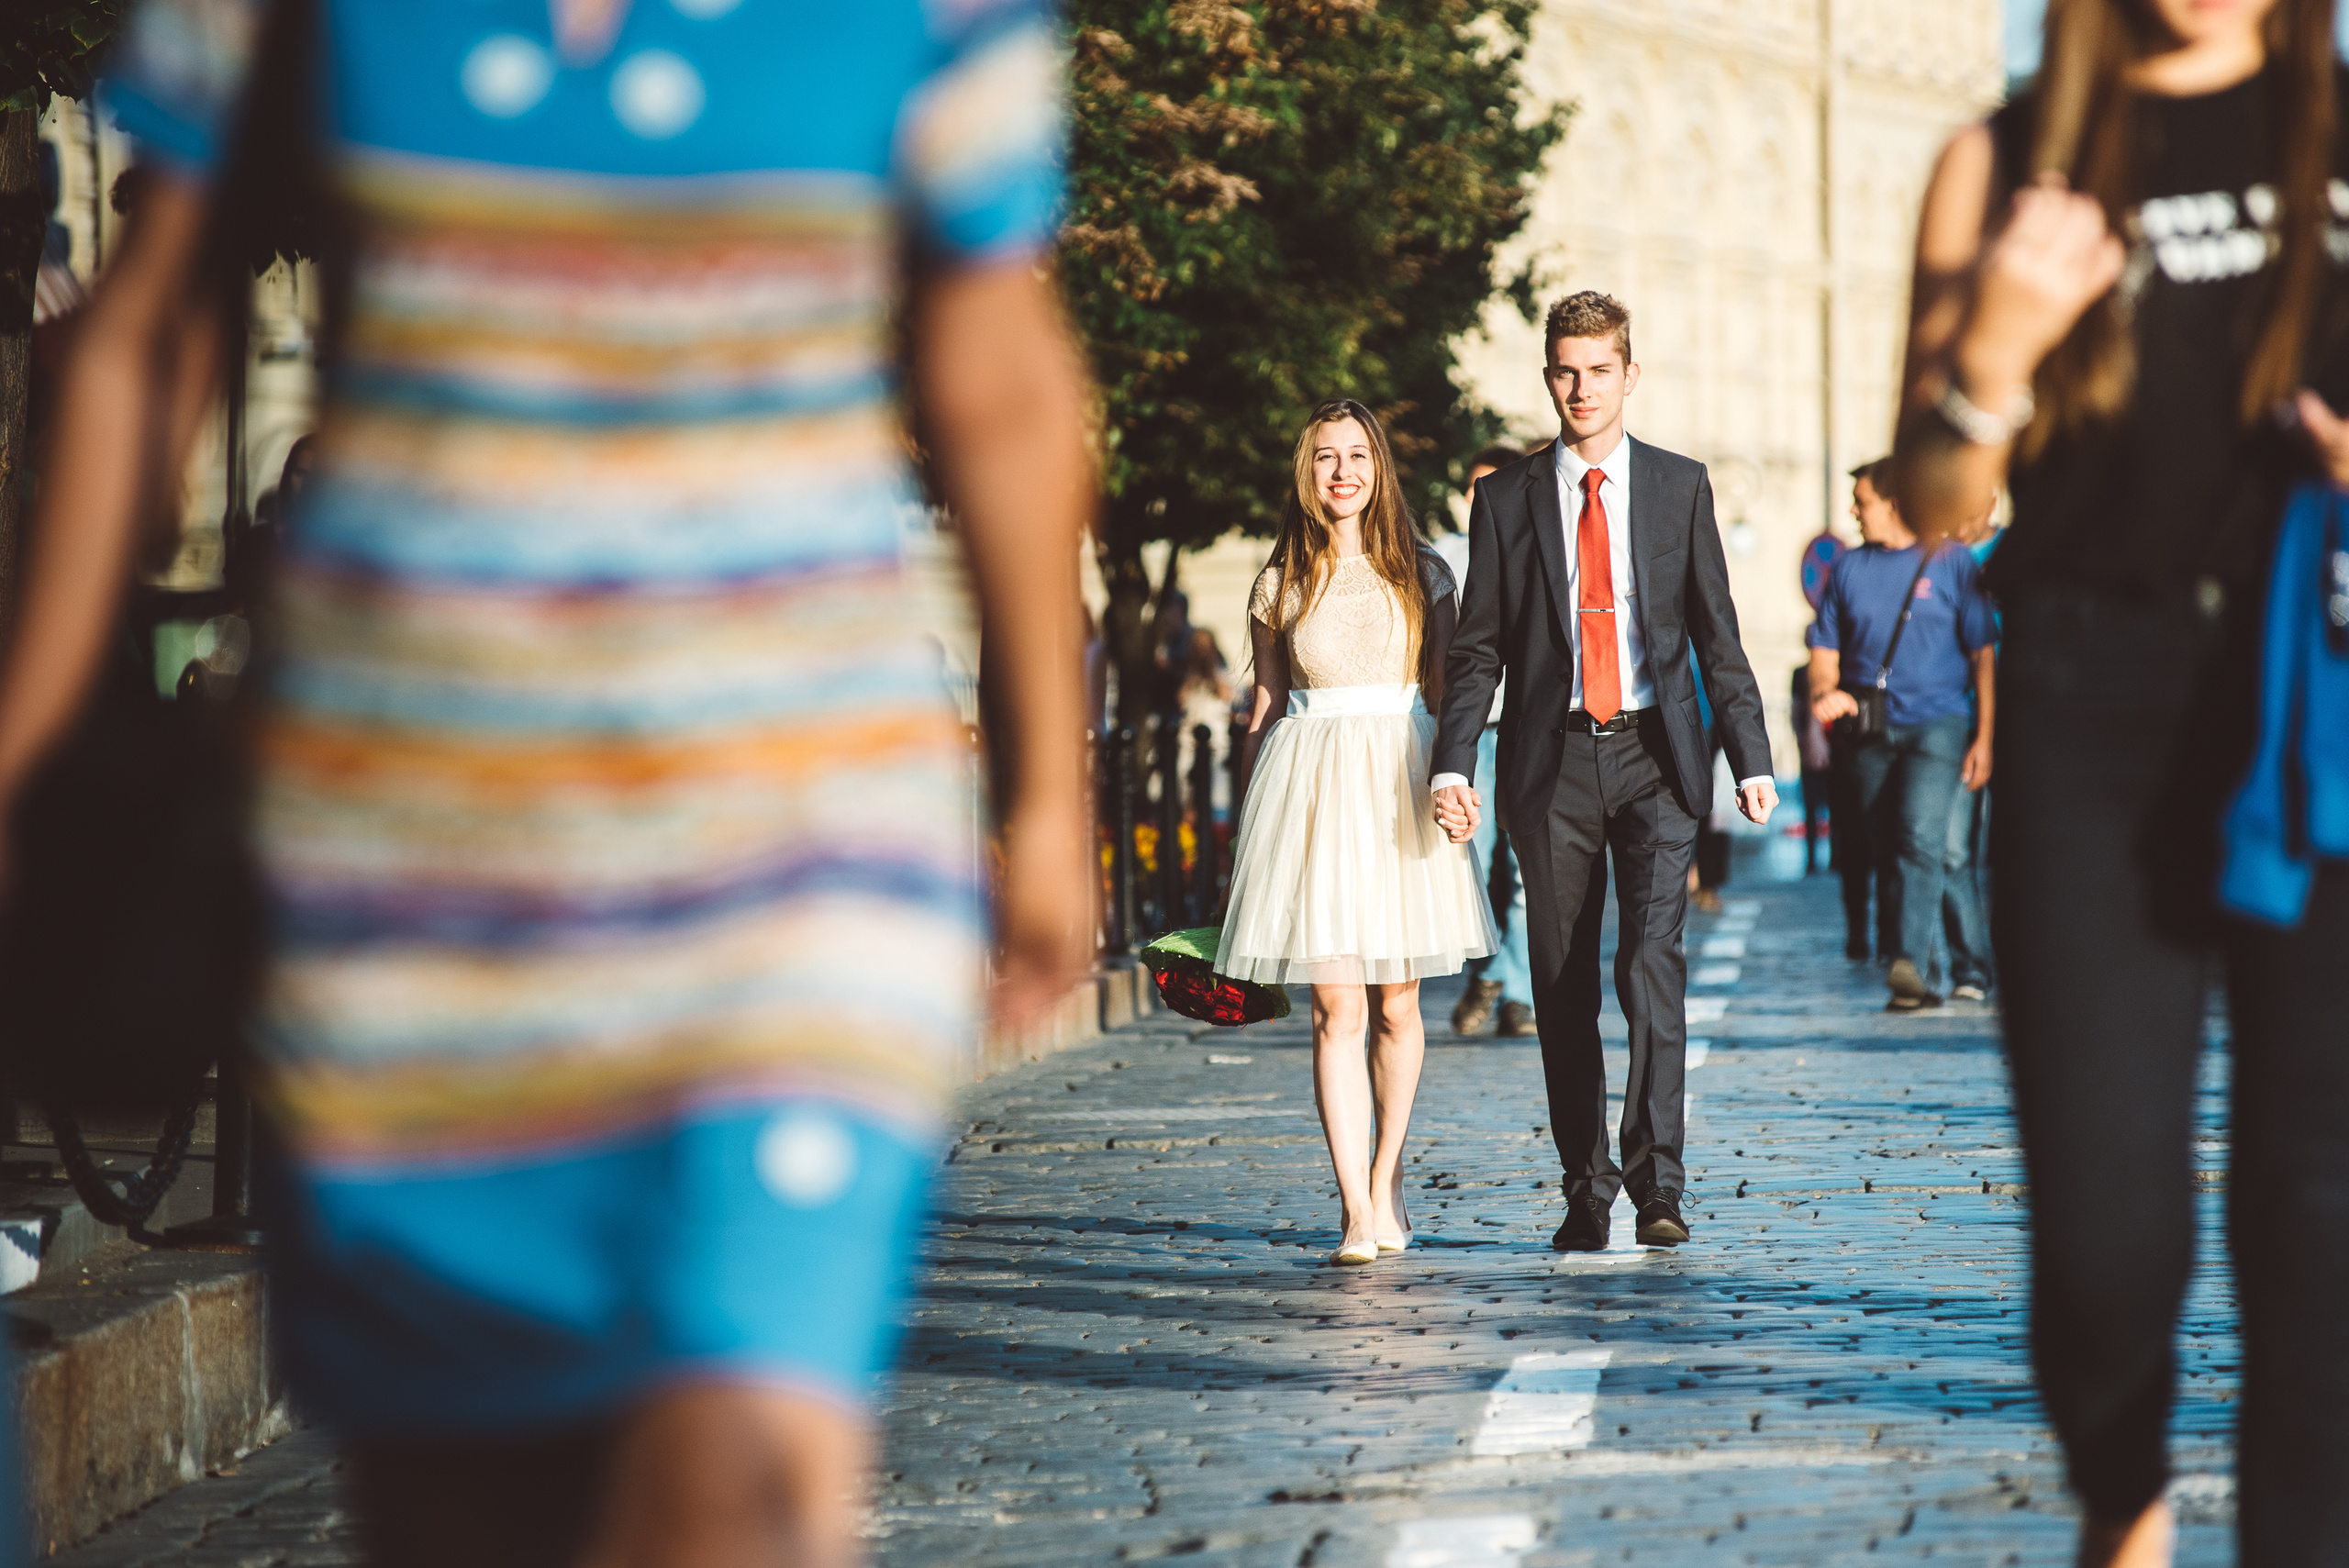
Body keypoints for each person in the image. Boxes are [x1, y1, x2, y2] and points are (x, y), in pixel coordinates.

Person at [0, 3, 1095, 1564]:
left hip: (800, 845)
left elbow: (1000, 366)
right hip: (408, 863)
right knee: (469, 1512)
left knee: (742, 1474)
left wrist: (1047, 798)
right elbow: (147, 323)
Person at [1889, 0, 2349, 1562]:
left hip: (2316, 695)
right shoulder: (2006, 159)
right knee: (2107, 1229)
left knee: (2316, 1218)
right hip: (2094, 699)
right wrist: (1999, 350)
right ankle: (2122, 1486)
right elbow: (1938, 485)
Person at [1432, 291, 1776, 1252]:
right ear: (1548, 376)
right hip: (1550, 765)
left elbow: (1716, 631)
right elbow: (1478, 649)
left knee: (1648, 963)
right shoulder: (1504, 499)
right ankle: (1585, 1189)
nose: (1579, 388)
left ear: (1630, 374)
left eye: (1597, 370)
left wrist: (1749, 757)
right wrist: (1451, 763)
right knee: (1559, 979)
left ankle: (1657, 1184)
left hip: (1655, 759)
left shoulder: (1678, 485)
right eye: (1563, 371)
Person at [1219, 400, 1495, 1266]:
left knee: (1399, 1001)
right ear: (1307, 472)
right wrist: (1244, 838)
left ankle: (1386, 1178)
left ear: (1380, 470)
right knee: (1335, 1004)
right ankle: (1351, 1205)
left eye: (1359, 456)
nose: (1343, 471)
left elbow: (1451, 696)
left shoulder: (1425, 573)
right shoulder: (1278, 581)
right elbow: (1265, 707)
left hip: (1400, 780)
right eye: (1327, 457)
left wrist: (1461, 781)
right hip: (1311, 788)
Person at [1806, 459, 1996, 1012]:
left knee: (1922, 836)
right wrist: (1825, 692)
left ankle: (1914, 964)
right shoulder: (1847, 569)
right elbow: (1824, 654)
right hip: (1869, 729)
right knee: (1887, 846)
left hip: (1938, 725)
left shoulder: (1953, 562)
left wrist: (1985, 737)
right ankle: (1924, 968)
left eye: (1861, 501)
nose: (1853, 511)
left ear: (1892, 501)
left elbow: (1983, 655)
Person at [1436, 444, 1540, 1038]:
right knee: (1468, 863)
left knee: (1524, 872)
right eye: (1474, 488)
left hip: (1525, 728)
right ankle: (1491, 968)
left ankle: (1515, 991)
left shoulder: (1535, 547)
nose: (1481, 500)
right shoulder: (1445, 557)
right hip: (1468, 735)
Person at [1938, 500, 2003, 1003]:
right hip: (1959, 723)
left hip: (2025, 722)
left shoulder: (2016, 551)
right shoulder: (1934, 557)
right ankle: (1970, 966)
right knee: (1954, 848)